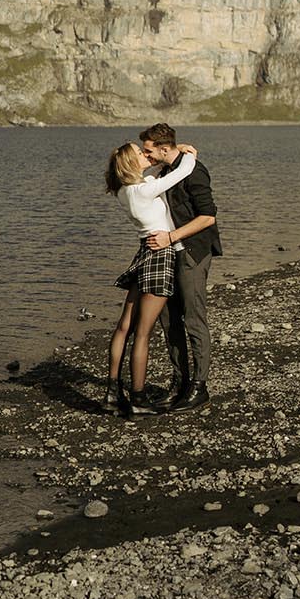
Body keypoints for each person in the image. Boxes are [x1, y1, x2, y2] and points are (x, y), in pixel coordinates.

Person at [103, 138, 198, 416]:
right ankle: (138, 397)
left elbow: (154, 177)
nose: (146, 155)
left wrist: (162, 158)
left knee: (125, 327)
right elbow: (181, 172)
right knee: (143, 332)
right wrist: (186, 153)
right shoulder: (142, 191)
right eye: (140, 153)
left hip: (144, 251)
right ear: (131, 163)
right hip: (159, 255)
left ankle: (112, 393)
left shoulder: (125, 190)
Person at [139, 122, 221, 412]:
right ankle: (180, 382)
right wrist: (177, 151)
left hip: (192, 253)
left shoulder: (195, 171)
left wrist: (171, 237)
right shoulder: (166, 171)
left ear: (163, 148)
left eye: (149, 151)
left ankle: (200, 388)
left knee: (194, 319)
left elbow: (208, 217)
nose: (145, 155)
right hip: (168, 255)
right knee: (168, 320)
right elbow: (133, 173)